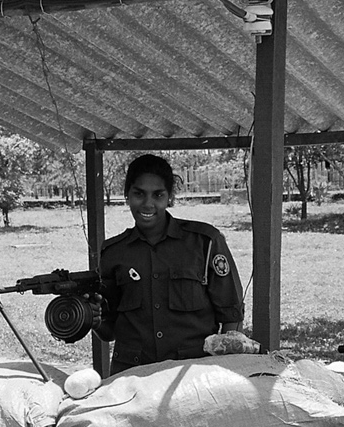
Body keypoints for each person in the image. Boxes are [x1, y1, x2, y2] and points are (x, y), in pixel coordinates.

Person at [94, 154, 246, 374]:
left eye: (158, 195)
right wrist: (94, 318)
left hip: (193, 373)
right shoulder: (113, 253)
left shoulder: (204, 242)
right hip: (132, 375)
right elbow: (109, 330)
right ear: (127, 195)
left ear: (170, 198)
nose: (148, 203)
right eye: (139, 194)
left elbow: (231, 315)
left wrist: (223, 369)